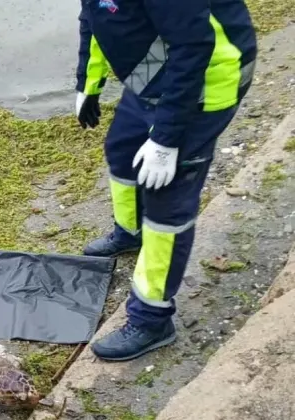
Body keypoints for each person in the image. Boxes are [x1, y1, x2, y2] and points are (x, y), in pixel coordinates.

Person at [74, 0, 257, 361]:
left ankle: (152, 318)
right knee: (123, 151)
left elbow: (194, 46)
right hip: (156, 72)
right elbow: (95, 17)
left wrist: (166, 138)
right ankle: (130, 234)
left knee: (166, 197)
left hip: (210, 77)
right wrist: (87, 82)